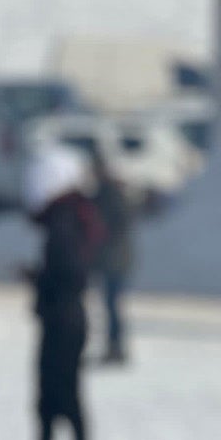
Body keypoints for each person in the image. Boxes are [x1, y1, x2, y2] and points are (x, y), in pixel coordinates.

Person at [12, 146, 103, 440]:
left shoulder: (64, 219)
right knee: (49, 406)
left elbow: (70, 275)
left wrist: (40, 280)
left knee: (66, 405)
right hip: (65, 320)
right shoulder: (69, 216)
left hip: (63, 324)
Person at [89, 147, 134, 365]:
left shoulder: (108, 194)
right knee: (111, 305)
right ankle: (114, 346)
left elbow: (116, 225)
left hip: (113, 259)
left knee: (112, 305)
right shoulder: (109, 193)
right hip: (114, 258)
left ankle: (115, 347)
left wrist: (101, 238)